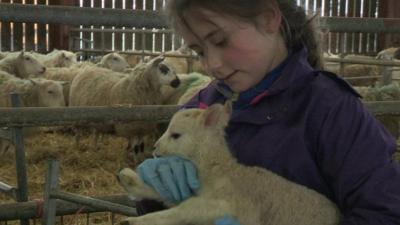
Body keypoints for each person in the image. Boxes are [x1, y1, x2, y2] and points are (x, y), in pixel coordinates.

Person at [135, 0, 400, 224]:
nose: (212, 64)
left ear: (268, 19)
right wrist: (154, 193)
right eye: (199, 50)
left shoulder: (332, 111)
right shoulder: (202, 107)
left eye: (220, 40)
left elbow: (383, 211)